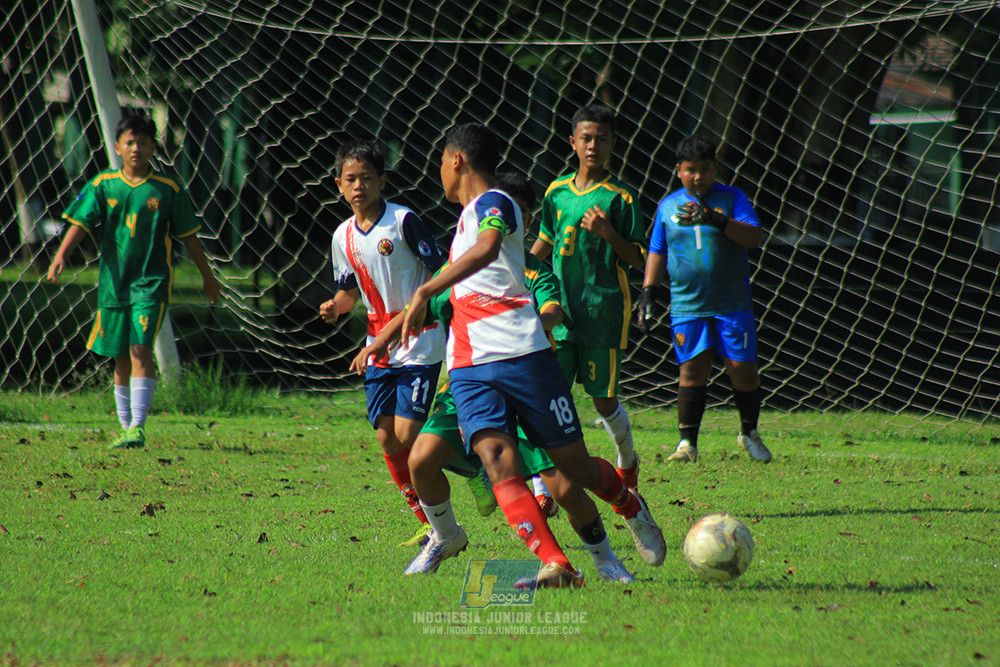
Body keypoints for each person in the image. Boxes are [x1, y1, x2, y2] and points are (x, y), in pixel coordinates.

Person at [400, 123, 665, 589]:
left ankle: (628, 505)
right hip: (469, 368)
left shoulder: (495, 204)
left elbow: (486, 251)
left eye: (441, 159)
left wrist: (426, 287)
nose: (438, 169)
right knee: (499, 461)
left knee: (573, 469)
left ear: (457, 159)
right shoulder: (461, 226)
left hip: (524, 356)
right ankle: (556, 563)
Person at [350, 173, 635, 584]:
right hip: (468, 383)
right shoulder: (458, 266)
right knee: (421, 460)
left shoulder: (532, 272)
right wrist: (379, 342)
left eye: (513, 213)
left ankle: (608, 556)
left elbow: (553, 310)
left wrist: (529, 325)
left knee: (565, 484)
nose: (501, 219)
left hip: (524, 373)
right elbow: (419, 307)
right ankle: (454, 538)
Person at [47, 114, 221, 449]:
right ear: (117, 146)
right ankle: (125, 426)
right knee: (120, 356)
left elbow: (190, 238)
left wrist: (208, 278)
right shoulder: (102, 184)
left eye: (143, 142)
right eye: (129, 142)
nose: (136, 148)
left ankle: (138, 427)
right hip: (114, 285)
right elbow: (81, 222)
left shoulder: (167, 189)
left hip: (151, 284)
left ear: (154, 146)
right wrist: (61, 254)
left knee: (141, 348)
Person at [320, 139, 447, 546]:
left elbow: (440, 271)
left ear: (383, 181)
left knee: (409, 434)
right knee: (386, 438)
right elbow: (348, 291)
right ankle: (427, 523)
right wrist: (335, 308)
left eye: (367, 178)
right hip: (377, 344)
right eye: (350, 179)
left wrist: (421, 307)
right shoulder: (342, 236)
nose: (359, 186)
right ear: (338, 184)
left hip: (419, 340)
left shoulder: (403, 221)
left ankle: (471, 464)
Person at [529, 105, 645, 491]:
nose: (594, 145)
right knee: (551, 399)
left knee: (602, 402)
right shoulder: (555, 192)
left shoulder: (621, 198)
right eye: (587, 138)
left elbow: (640, 258)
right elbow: (544, 241)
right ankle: (544, 487)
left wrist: (608, 233)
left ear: (614, 144)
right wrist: (517, 269)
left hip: (602, 312)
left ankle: (627, 461)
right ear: (573, 142)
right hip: (559, 312)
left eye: (602, 139)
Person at [637, 134, 772, 464]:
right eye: (691, 170)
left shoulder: (732, 199)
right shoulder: (668, 206)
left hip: (732, 302)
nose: (699, 176)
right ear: (679, 171)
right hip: (687, 304)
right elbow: (657, 249)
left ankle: (749, 432)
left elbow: (754, 237)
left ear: (716, 169)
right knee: (692, 370)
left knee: (743, 370)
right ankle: (687, 444)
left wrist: (717, 219)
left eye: (706, 169)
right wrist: (649, 291)